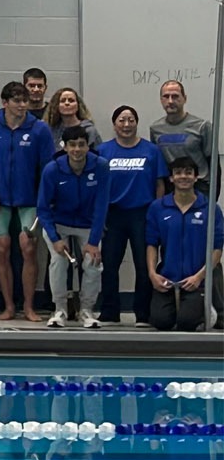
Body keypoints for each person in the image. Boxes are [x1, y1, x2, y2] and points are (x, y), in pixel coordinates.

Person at [0, 82, 55, 322]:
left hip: (29, 200)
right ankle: (9, 306)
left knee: (28, 248)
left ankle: (29, 307)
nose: (22, 105)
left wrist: (44, 200)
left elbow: (47, 168)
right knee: (2, 249)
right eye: (17, 101)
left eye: (25, 101)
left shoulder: (40, 130)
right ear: (5, 103)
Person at [95, 105, 168, 325]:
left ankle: (143, 314)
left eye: (131, 120)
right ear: (114, 124)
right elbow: (96, 186)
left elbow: (160, 184)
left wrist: (156, 213)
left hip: (142, 214)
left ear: (137, 123)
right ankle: (109, 312)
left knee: (143, 265)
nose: (126, 125)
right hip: (113, 215)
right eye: (121, 120)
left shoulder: (151, 151)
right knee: (109, 265)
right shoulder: (103, 151)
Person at [36, 125, 110, 329]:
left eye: (81, 145)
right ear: (65, 147)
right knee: (58, 262)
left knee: (93, 263)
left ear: (88, 146)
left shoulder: (101, 166)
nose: (77, 149)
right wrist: (55, 239)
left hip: (87, 224)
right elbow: (42, 208)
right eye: (72, 145)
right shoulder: (52, 169)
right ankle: (59, 309)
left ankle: (86, 310)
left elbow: (101, 205)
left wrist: (94, 241)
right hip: (58, 223)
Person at [145, 156, 222, 331]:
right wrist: (152, 274)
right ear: (171, 178)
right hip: (168, 280)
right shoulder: (157, 208)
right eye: (178, 173)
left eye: (188, 173)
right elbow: (151, 244)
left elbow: (217, 249)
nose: (183, 177)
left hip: (196, 281)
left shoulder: (210, 208)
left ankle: (207, 309)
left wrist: (199, 276)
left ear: (196, 177)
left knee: (187, 323)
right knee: (160, 322)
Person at [151, 80, 213, 195]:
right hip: (171, 187)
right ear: (161, 100)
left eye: (175, 96)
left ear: (185, 98)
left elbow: (213, 162)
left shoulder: (202, 126)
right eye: (166, 96)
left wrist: (213, 195)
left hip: (199, 186)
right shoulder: (155, 129)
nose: (170, 101)